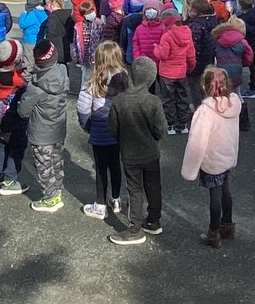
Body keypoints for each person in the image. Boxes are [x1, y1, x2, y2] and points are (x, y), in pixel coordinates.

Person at [181, 66, 242, 248]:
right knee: (225, 191)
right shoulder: (234, 104)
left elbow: (197, 142)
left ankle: (213, 232)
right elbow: (236, 133)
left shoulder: (205, 112)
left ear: (205, 86)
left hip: (211, 159)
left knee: (214, 195)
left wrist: (189, 170)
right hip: (226, 155)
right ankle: (228, 224)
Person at [108, 56, 167, 245]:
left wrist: (123, 141)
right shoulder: (153, 101)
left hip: (129, 153)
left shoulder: (119, 101)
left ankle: (135, 228)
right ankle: (154, 220)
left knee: (134, 189)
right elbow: (161, 129)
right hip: (151, 151)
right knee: (153, 186)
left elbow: (113, 128)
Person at [77, 41, 128, 220]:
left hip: (99, 133)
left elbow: (83, 110)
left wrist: (88, 126)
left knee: (100, 168)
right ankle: (116, 199)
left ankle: (100, 204)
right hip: (119, 133)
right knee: (115, 165)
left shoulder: (91, 84)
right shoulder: (124, 81)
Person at [19, 38, 69, 213]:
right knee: (56, 161)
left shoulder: (36, 88)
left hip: (41, 133)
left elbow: (23, 111)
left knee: (43, 166)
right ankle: (58, 190)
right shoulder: (63, 71)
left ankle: (50, 198)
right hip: (58, 127)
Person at [0, 40, 29, 195]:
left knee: (2, 143)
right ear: (16, 60)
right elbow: (23, 87)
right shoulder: (16, 80)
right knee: (16, 147)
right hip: (11, 120)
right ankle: (10, 179)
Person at [153, 6, 196, 135]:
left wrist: (156, 48)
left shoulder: (167, 36)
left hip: (167, 73)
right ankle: (183, 124)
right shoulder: (187, 34)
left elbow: (163, 55)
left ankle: (170, 125)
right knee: (182, 97)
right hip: (181, 71)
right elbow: (191, 54)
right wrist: (191, 66)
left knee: (168, 99)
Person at [212, 16, 254, 132]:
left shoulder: (218, 38)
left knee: (220, 96)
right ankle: (242, 121)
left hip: (221, 72)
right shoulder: (242, 41)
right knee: (237, 94)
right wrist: (242, 63)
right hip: (236, 71)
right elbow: (249, 57)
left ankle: (223, 119)